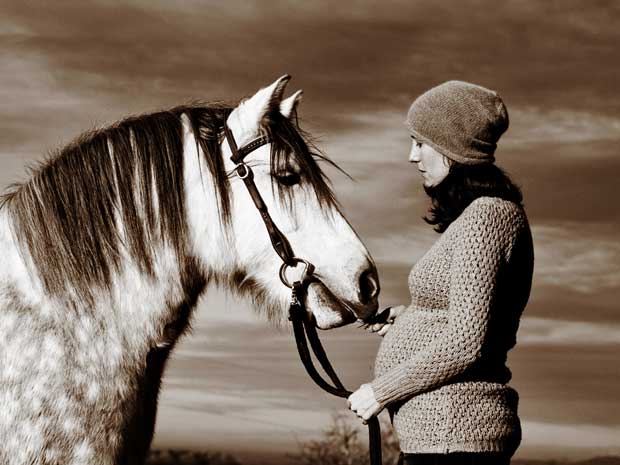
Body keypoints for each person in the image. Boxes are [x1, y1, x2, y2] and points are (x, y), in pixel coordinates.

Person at [348, 81, 534, 465]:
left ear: (452, 147)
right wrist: (411, 317)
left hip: (456, 436)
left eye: (419, 142)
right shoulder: (477, 218)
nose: (411, 156)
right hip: (440, 439)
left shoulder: (488, 217)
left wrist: (380, 392)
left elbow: (467, 341)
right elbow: (466, 311)